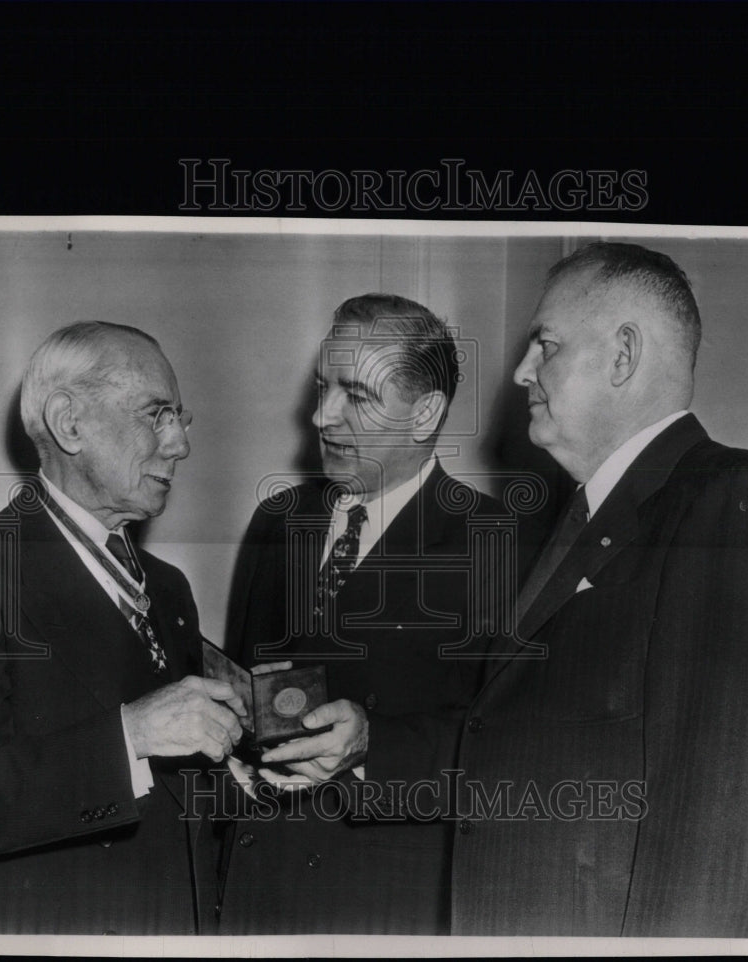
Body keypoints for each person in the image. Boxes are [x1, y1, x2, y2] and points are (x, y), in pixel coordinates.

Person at [365, 244, 748, 936]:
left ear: (622, 357)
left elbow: (716, 814)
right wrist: (364, 745)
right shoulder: (579, 518)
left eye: (544, 346)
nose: (521, 373)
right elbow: (513, 737)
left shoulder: (727, 497)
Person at [217, 294, 528, 934]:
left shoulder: (500, 543)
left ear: (426, 414)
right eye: (323, 387)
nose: (321, 416)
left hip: (381, 906)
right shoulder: (277, 520)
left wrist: (370, 745)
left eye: (356, 397)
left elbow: (513, 751)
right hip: (252, 888)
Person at [0, 321, 245, 934]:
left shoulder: (169, 587)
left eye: (180, 418)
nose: (179, 443)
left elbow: (176, 794)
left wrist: (248, 763)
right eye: (156, 415)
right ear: (69, 422)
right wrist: (131, 734)